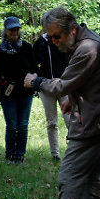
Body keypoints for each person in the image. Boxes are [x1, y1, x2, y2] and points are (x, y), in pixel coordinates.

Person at [24, 7, 100, 199]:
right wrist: (73, 99)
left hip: (93, 119)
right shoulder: (84, 41)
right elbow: (89, 80)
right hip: (99, 115)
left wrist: (36, 81)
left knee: (70, 174)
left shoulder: (88, 48)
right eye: (49, 37)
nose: (54, 41)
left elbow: (61, 85)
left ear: (73, 29)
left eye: (57, 36)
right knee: (91, 174)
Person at [0, 16, 36, 164]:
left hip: (25, 92)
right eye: (11, 30)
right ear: (6, 31)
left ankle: (20, 155)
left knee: (23, 125)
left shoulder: (27, 47)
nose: (14, 32)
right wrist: (4, 84)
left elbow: (35, 68)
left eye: (16, 29)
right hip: (8, 93)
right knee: (11, 125)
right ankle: (10, 154)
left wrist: (32, 79)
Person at [32, 26, 69, 161]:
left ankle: (72, 152)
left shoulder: (64, 39)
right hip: (46, 86)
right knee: (51, 122)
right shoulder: (40, 43)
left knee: (70, 120)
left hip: (64, 85)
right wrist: (38, 80)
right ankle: (55, 155)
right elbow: (33, 63)